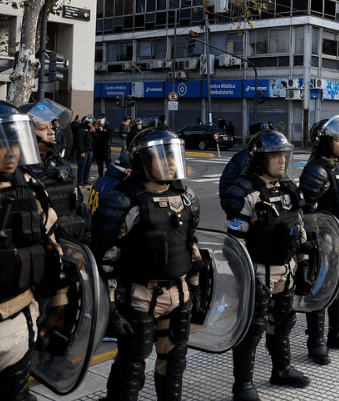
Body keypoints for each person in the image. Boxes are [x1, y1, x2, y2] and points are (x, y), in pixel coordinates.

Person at [0, 100, 65, 401]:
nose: (11, 153)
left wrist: (58, 304)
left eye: (15, 143)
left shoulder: (32, 190)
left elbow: (51, 246)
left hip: (20, 324)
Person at [90, 128, 202, 401]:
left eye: (173, 155)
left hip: (179, 294)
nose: (171, 162)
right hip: (138, 295)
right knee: (133, 362)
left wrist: (196, 287)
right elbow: (104, 260)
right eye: (162, 156)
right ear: (141, 161)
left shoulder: (186, 198)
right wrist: (110, 307)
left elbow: (190, 244)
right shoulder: (123, 201)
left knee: (174, 360)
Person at [222, 130, 311, 401]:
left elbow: (300, 227)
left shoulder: (288, 187)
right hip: (258, 272)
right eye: (274, 155)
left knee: (282, 322)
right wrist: (248, 278)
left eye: (283, 154)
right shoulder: (244, 191)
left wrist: (304, 263)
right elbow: (234, 245)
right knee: (252, 329)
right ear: (260, 159)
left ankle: (282, 369)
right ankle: (243, 385)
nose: (282, 160)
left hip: (286, 269)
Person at [298, 116, 339, 365]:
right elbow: (307, 212)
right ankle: (316, 342)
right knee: (321, 286)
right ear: (324, 142)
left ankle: (337, 333)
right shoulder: (316, 171)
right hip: (325, 239)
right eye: (338, 139)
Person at [20, 99, 90, 243]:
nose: (51, 132)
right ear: (25, 131)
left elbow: (78, 204)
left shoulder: (59, 163)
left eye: (51, 126)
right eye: (43, 128)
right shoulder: (17, 169)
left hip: (69, 239)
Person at [76, 115, 95, 186]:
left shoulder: (89, 130)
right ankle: (80, 180)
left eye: (91, 123)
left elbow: (94, 139)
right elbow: (79, 141)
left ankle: (85, 180)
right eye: (89, 123)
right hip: (84, 151)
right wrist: (81, 151)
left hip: (89, 150)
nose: (91, 124)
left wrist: (94, 132)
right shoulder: (80, 129)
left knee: (88, 166)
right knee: (82, 166)